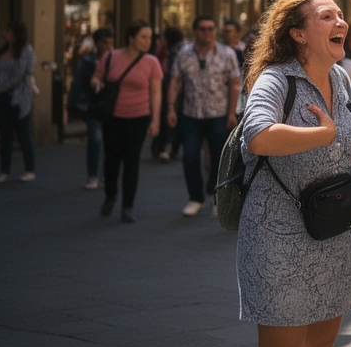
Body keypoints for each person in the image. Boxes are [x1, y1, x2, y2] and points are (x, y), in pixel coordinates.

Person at [237, 0, 351, 347]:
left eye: (340, 15)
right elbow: (259, 136)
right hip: (278, 233)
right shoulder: (276, 79)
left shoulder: (341, 78)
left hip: (333, 231)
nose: (340, 22)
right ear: (298, 34)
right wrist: (321, 134)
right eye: (327, 16)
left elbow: (347, 145)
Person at [167, 15, 242, 217]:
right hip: (191, 114)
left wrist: (231, 113)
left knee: (219, 159)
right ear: (194, 31)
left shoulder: (227, 54)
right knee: (190, 157)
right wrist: (170, 108)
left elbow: (235, 84)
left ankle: (216, 195)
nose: (207, 33)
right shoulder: (184, 53)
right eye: (202, 29)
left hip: (218, 113)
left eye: (210, 29)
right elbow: (175, 81)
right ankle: (195, 197)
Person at [93, 21, 163, 222]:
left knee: (131, 161)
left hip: (138, 118)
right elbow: (97, 75)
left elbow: (156, 93)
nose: (147, 41)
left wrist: (155, 121)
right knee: (112, 159)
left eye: (150, 38)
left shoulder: (152, 62)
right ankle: (111, 195)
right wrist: (96, 81)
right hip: (113, 116)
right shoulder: (111, 57)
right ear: (131, 38)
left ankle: (128, 206)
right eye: (143, 37)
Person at [0, 21, 37, 183]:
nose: (3, 33)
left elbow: (19, 74)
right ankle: (4, 171)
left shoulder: (26, 50)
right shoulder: (2, 50)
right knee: (5, 134)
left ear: (16, 33)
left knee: (22, 133)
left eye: (7, 30)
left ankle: (29, 169)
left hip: (18, 97)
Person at [70, 27, 114, 189]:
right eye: (105, 42)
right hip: (93, 105)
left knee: (110, 141)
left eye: (111, 42)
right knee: (95, 137)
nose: (109, 46)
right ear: (97, 44)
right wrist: (73, 105)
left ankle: (106, 175)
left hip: (112, 105)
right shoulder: (87, 62)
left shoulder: (116, 60)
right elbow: (78, 84)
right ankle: (93, 175)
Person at [153, 26, 185, 162]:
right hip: (178, 90)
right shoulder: (180, 48)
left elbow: (173, 74)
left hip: (171, 88)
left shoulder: (174, 51)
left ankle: (163, 147)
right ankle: (173, 148)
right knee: (176, 119)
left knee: (168, 117)